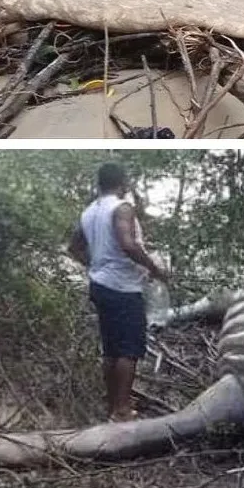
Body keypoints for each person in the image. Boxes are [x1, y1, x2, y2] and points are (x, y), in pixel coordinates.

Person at [67, 162, 169, 422]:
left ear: (98, 184)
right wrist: (154, 268)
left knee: (111, 349)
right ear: (123, 184)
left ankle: (113, 406)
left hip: (100, 285)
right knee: (129, 349)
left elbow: (74, 248)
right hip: (122, 288)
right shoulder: (122, 208)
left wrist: (96, 264)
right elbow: (128, 244)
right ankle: (122, 410)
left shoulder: (89, 212)